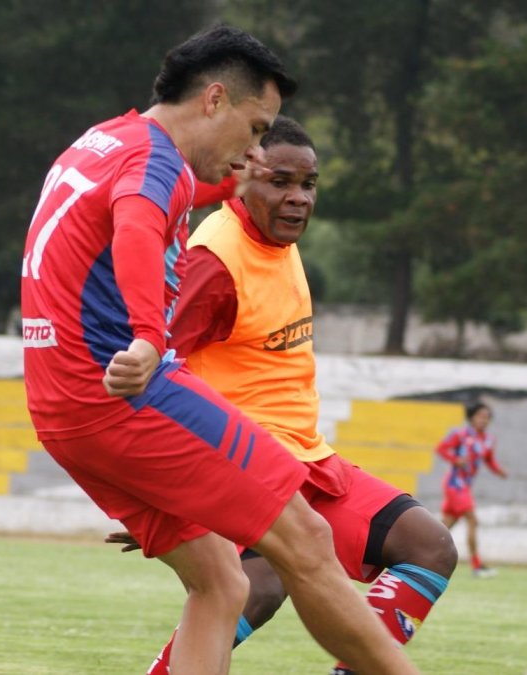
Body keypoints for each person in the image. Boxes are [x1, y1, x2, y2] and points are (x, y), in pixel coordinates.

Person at [19, 25, 418, 675]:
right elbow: (140, 227)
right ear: (213, 101)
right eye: (257, 128)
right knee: (307, 539)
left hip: (63, 407)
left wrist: (227, 186)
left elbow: (154, 197)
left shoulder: (103, 142)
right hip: (126, 394)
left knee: (222, 581)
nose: (256, 146)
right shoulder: (150, 163)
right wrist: (150, 334)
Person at [113, 116, 456, 675]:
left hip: (309, 461)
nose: (298, 198)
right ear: (242, 178)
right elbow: (154, 367)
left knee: (428, 547)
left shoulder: (279, 239)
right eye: (280, 182)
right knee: (258, 586)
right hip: (245, 466)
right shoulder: (214, 262)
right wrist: (159, 491)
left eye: (308, 184)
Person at [436, 402, 507, 577]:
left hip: (465, 486)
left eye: (487, 417)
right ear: (472, 417)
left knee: (444, 527)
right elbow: (441, 449)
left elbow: (489, 460)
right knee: (473, 520)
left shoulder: (489, 440)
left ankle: (420, 554)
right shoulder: (460, 435)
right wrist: (456, 459)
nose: (483, 420)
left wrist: (499, 471)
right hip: (455, 485)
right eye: (480, 416)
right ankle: (476, 565)